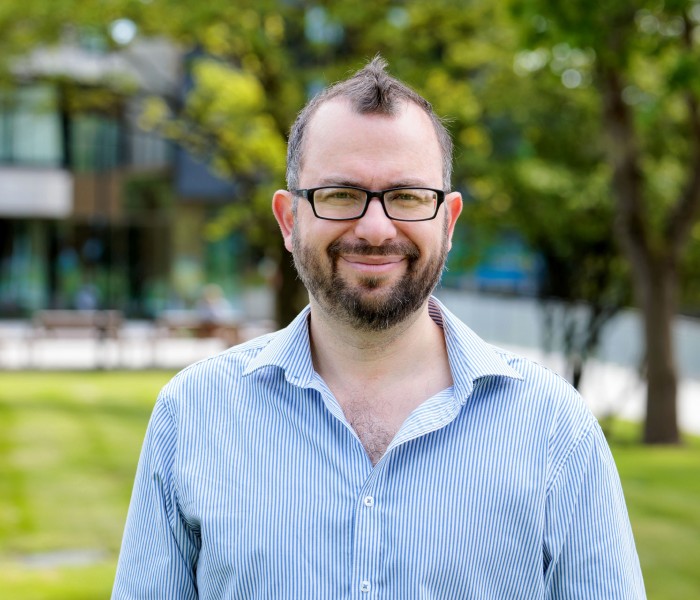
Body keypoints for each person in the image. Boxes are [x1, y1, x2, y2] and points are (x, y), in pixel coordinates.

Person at [112, 57, 646, 599]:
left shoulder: (556, 430)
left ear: (449, 220)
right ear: (290, 219)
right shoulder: (193, 413)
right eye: (341, 194)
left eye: (407, 197)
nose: (374, 228)